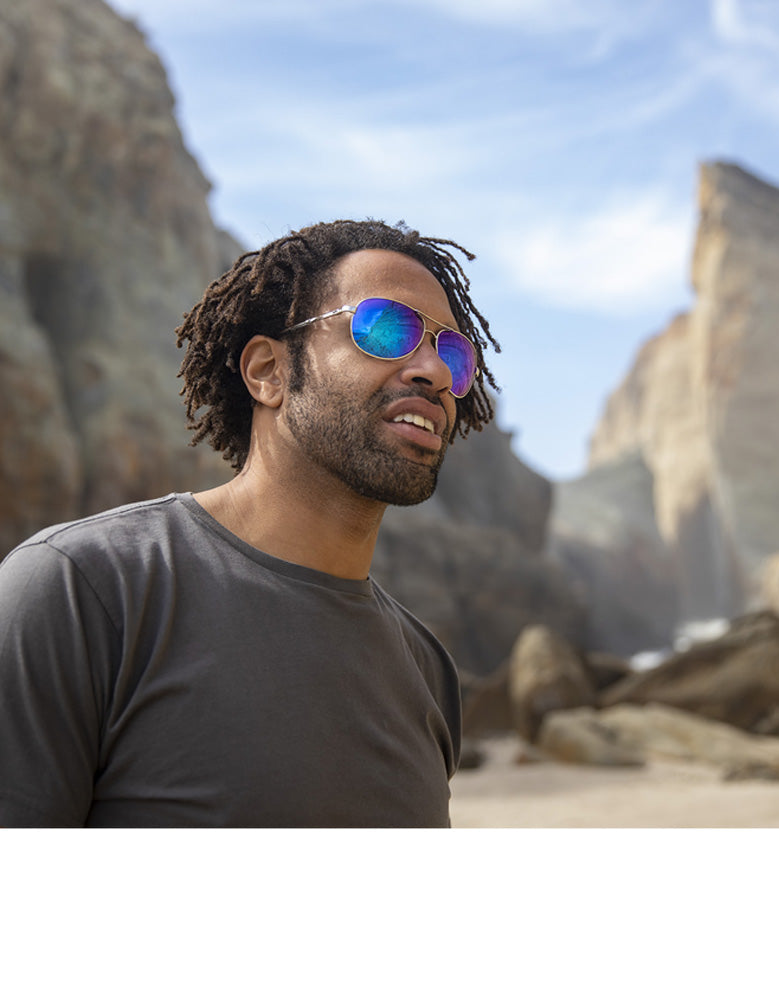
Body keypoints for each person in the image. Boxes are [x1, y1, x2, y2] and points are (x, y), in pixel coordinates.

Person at [0, 219, 499, 827]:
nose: (436, 373)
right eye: (386, 329)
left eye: (454, 354)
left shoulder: (426, 668)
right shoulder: (86, 591)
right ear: (268, 371)